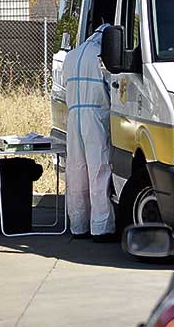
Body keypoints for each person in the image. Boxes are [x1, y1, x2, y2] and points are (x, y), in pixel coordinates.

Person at [63, 24, 115, 242]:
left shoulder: (72, 56)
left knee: (76, 170)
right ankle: (101, 227)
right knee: (99, 170)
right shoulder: (102, 56)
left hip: (74, 115)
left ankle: (78, 224)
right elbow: (112, 89)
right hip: (96, 117)